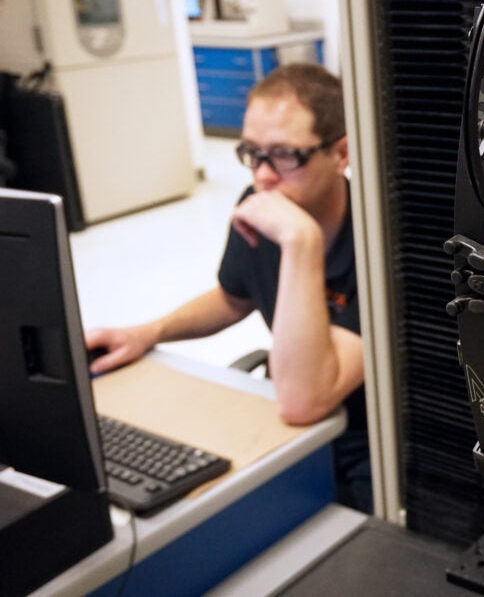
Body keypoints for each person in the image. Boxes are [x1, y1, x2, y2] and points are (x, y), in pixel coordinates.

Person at [85, 63, 371, 513]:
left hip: (362, 442)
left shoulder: (374, 243)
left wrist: (301, 242)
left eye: (285, 155)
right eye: (253, 153)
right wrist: (150, 331)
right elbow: (233, 298)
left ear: (341, 154)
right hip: (282, 419)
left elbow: (304, 401)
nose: (263, 175)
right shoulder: (259, 204)